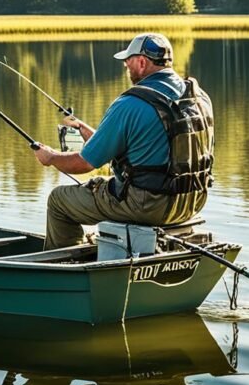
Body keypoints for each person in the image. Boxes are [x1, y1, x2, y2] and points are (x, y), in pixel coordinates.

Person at [32, 33, 215, 250]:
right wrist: (85, 130)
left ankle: (62, 266)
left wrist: (50, 157)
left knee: (59, 200)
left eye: (128, 60)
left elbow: (84, 164)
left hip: (148, 206)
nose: (126, 66)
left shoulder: (130, 103)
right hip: (192, 201)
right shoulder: (199, 97)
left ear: (141, 62)